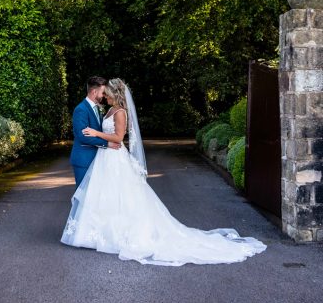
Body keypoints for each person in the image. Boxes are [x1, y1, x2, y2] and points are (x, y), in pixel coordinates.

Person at [61, 78, 267, 266]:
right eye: (103, 93)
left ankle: (116, 234)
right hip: (105, 158)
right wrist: (102, 138)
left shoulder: (120, 112)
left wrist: (97, 133)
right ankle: (99, 232)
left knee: (121, 196)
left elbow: (117, 138)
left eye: (107, 93)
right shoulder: (107, 110)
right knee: (106, 196)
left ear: (115, 93)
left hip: (114, 157)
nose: (104, 96)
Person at [70, 76, 121, 188]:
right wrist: (107, 144)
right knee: (82, 195)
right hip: (84, 159)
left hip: (98, 159)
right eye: (103, 92)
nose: (104, 95)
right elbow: (83, 136)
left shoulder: (98, 108)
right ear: (94, 91)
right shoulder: (81, 109)